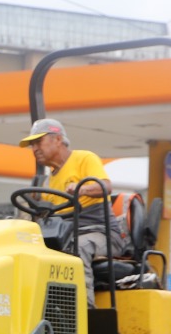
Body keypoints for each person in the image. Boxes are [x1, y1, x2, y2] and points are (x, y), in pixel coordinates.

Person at [19, 118, 127, 305]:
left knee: (78, 248)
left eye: (38, 142)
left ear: (58, 139)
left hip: (101, 232)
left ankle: (85, 313)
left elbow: (105, 187)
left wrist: (82, 189)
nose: (34, 148)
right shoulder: (49, 181)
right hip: (69, 233)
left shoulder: (84, 158)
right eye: (32, 145)